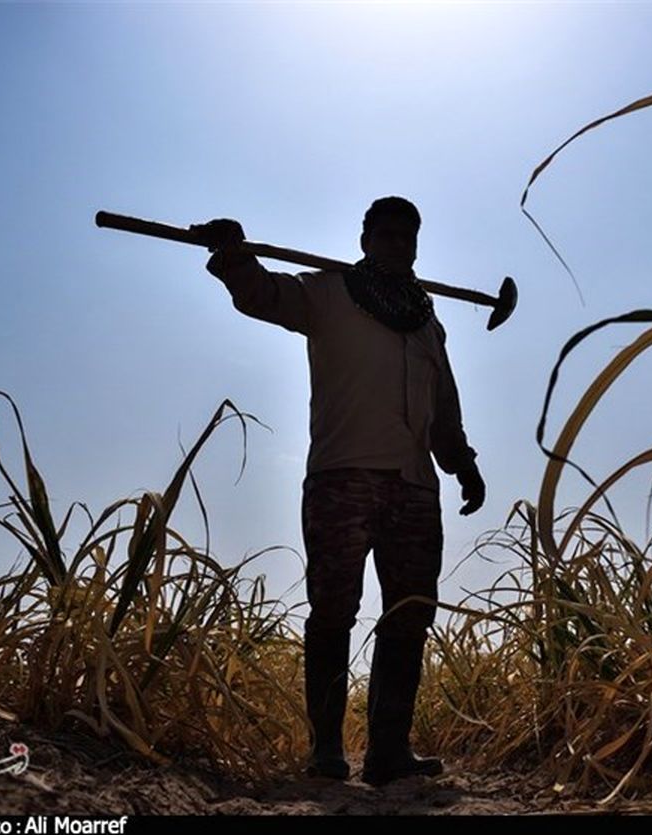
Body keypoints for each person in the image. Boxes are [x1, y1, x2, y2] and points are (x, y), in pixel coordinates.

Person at [192, 197, 485, 786]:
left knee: (409, 616)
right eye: (388, 233)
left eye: (409, 235)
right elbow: (263, 295)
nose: (399, 243)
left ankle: (388, 752)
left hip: (414, 489)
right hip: (341, 477)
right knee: (332, 613)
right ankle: (327, 749)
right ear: (366, 237)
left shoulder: (429, 323)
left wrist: (462, 465)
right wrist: (233, 253)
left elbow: (443, 412)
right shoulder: (328, 292)